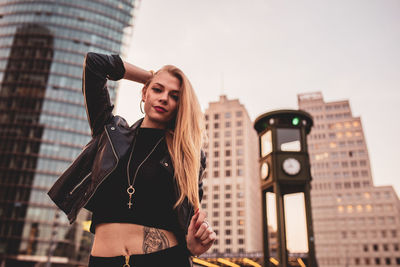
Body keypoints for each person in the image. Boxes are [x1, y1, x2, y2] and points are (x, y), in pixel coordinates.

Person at [47, 52, 216, 267]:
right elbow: (94, 64)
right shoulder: (110, 133)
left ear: (180, 106)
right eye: (157, 89)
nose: (164, 98)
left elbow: (191, 220)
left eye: (174, 96)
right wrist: (150, 76)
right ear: (144, 93)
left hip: (165, 260)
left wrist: (194, 244)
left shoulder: (188, 155)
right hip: (103, 261)